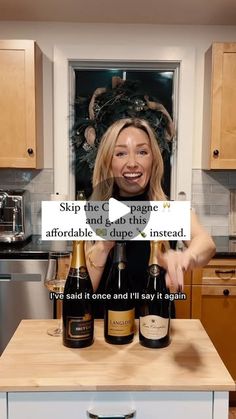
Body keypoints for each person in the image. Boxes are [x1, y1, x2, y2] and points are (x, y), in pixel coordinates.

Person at [84, 117, 216, 317]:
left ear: (153, 160)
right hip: (106, 333)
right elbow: (80, 298)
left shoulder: (166, 211)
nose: (132, 163)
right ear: (107, 162)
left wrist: (186, 256)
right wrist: (103, 247)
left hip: (156, 330)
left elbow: (206, 242)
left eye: (142, 152)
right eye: (120, 153)